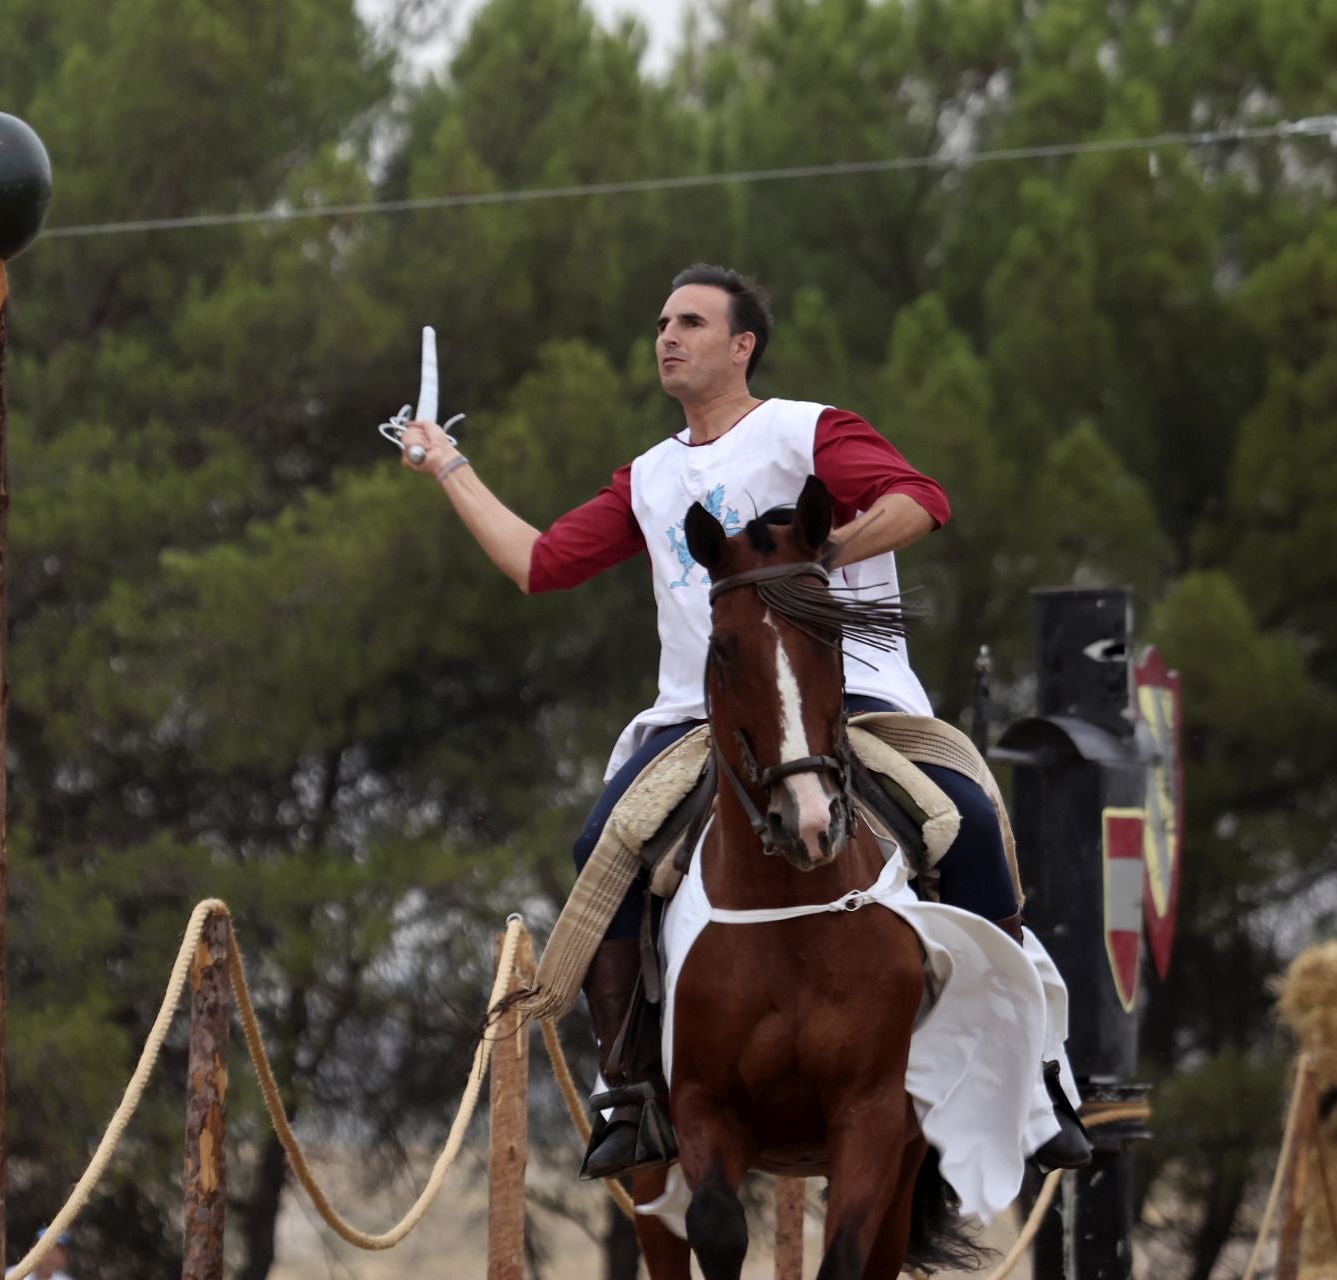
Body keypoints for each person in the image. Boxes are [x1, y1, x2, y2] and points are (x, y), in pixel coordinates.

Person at [398, 263, 1091, 1179]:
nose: (667, 337)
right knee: (601, 844)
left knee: (965, 814)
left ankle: (1034, 1077)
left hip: (852, 701)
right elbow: (538, 563)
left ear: (742, 345)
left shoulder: (807, 431)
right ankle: (631, 1091)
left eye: (691, 322)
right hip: (703, 720)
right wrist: (447, 464)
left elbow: (922, 501)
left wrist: (822, 557)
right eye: (661, 323)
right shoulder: (650, 478)